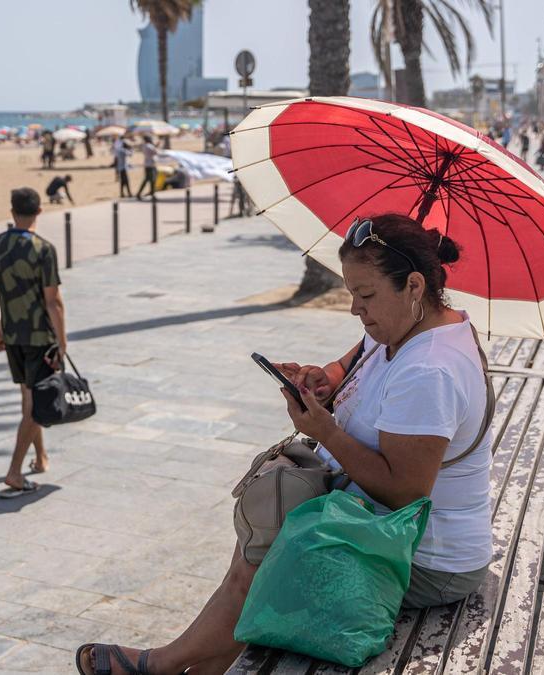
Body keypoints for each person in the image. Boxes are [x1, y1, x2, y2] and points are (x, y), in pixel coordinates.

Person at [74, 215, 492, 674]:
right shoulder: (401, 329)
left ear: (414, 285)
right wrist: (323, 380)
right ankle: (191, 667)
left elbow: (404, 493)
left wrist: (326, 432)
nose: (355, 308)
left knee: (270, 552)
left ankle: (162, 665)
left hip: (428, 560)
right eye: (352, 292)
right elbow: (349, 366)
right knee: (268, 526)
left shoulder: (429, 369)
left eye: (366, 294)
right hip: (392, 536)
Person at [0, 188, 67, 498]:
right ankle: (15, 472)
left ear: (12, 210)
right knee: (34, 402)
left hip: (13, 335)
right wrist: (62, 342)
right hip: (39, 337)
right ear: (39, 211)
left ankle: (41, 457)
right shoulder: (43, 249)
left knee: (30, 397)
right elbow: (53, 301)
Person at [135, 136, 158, 200]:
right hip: (151, 165)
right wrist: (155, 146)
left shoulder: (144, 146)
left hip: (147, 165)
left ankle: (148, 193)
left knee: (147, 180)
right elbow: (155, 152)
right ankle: (150, 194)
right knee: (151, 180)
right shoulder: (149, 146)